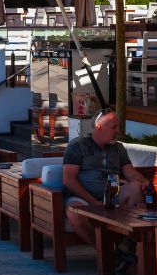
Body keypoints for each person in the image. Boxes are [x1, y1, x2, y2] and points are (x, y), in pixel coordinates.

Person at [62, 109, 149, 257]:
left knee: (135, 187)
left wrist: (144, 181)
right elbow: (68, 179)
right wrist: (93, 201)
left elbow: (130, 173)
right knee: (74, 212)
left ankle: (128, 244)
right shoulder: (77, 145)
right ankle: (108, 253)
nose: (118, 131)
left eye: (118, 127)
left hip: (112, 195)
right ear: (99, 126)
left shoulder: (118, 148)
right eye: (114, 127)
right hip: (84, 197)